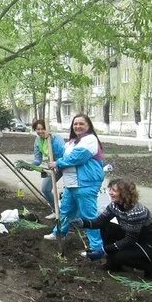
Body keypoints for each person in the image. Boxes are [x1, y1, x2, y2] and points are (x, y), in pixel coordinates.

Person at [46, 114, 103, 251]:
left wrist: (57, 163)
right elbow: (62, 152)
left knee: (88, 216)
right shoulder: (72, 142)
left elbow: (77, 158)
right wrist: (50, 138)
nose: (77, 126)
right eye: (75, 124)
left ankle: (97, 247)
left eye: (81, 124)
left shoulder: (90, 139)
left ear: (88, 125)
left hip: (86, 184)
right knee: (65, 211)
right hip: (71, 184)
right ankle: (58, 233)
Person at [73, 179, 152, 278]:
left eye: (114, 190)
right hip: (134, 238)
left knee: (119, 256)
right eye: (110, 189)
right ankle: (113, 264)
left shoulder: (136, 211)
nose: (110, 192)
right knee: (107, 226)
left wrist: (103, 250)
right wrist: (83, 223)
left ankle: (149, 268)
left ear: (124, 193)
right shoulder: (114, 205)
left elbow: (130, 240)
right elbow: (99, 222)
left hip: (146, 243)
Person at [31, 119, 65, 219]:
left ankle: (70, 217)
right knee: (45, 189)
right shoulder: (38, 140)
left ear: (47, 129)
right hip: (52, 166)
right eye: (38, 129)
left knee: (70, 192)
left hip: (64, 166)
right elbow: (37, 159)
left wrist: (50, 139)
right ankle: (55, 211)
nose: (40, 131)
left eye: (43, 129)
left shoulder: (56, 138)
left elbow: (64, 154)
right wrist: (31, 165)